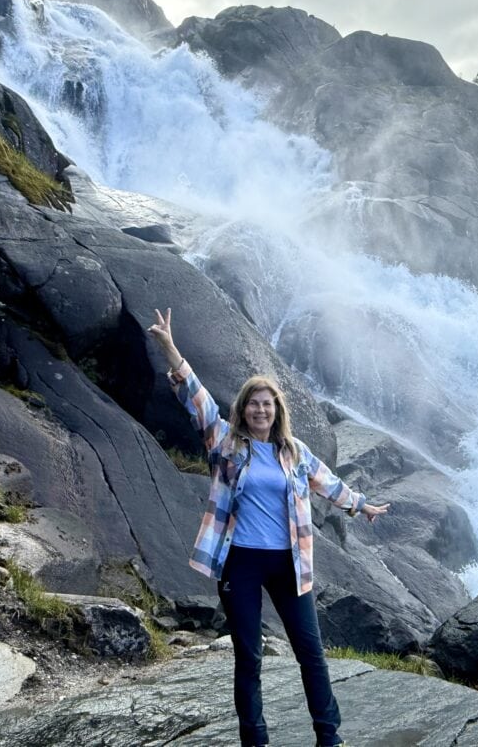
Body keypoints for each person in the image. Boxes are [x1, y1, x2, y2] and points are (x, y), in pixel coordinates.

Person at [148, 307, 389, 747]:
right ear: (243, 410)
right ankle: (254, 740)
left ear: (277, 410)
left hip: (289, 563)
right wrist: (169, 347)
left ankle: (329, 735)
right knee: (250, 656)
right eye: (254, 404)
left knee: (311, 653)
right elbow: (197, 397)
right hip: (241, 561)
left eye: (268, 404)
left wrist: (361, 506)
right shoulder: (225, 442)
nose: (261, 410)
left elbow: (327, 483)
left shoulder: (293, 451)